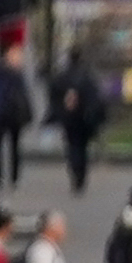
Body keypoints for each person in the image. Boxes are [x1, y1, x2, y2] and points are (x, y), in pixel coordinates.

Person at [50, 49, 110, 194]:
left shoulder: (63, 77)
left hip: (69, 119)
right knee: (83, 148)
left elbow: (54, 96)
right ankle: (81, 176)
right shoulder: (87, 76)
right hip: (85, 119)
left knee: (72, 146)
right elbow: (96, 99)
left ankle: (74, 173)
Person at [0, 41, 34, 190]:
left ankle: (12, 178)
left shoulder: (14, 74)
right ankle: (1, 178)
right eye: (15, 53)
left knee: (13, 147)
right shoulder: (0, 75)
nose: (18, 57)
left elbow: (24, 96)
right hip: (2, 116)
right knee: (1, 147)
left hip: (12, 116)